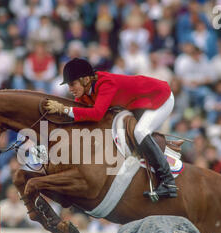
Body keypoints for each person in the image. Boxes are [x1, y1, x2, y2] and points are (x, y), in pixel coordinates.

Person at [44, 58, 178, 200]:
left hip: (160, 97)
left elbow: (96, 114)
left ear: (85, 79)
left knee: (140, 131)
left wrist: (64, 110)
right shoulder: (85, 94)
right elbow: (80, 115)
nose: (70, 89)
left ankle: (168, 181)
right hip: (139, 105)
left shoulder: (106, 83)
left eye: (72, 84)